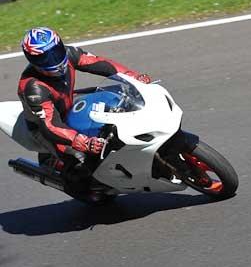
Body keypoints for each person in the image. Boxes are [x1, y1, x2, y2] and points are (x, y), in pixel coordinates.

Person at [17, 27, 152, 175]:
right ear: (33, 61)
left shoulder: (69, 54)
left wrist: (133, 77)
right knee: (81, 160)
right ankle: (65, 170)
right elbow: (50, 126)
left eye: (56, 51)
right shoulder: (33, 87)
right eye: (46, 58)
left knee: (116, 104)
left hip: (68, 106)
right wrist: (83, 142)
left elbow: (101, 63)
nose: (54, 60)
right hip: (47, 128)